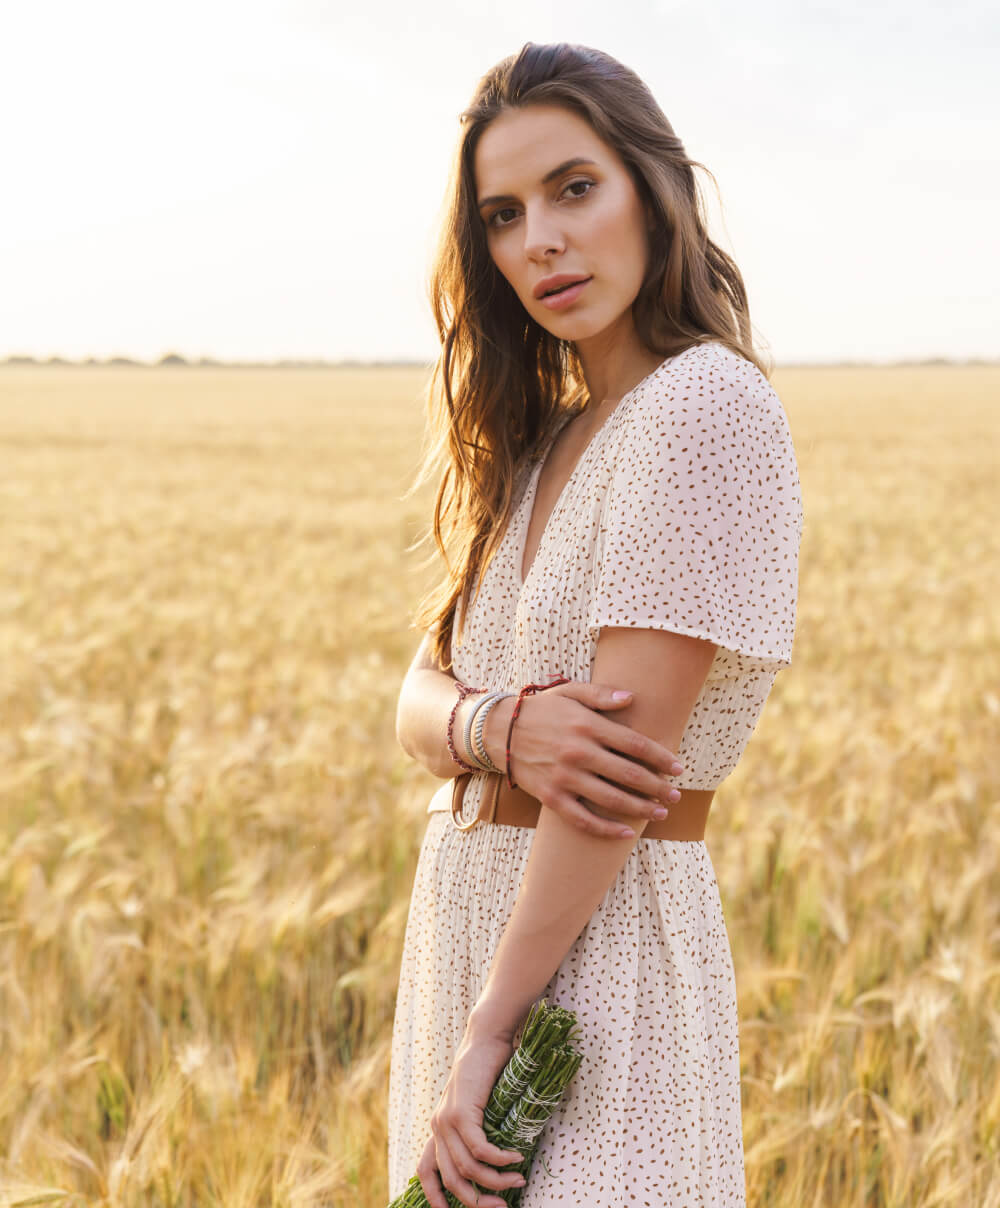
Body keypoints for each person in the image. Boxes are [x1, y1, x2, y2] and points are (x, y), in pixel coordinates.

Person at [387, 41, 803, 1208]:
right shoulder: (541, 438)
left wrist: (492, 1028)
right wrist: (501, 727)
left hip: (589, 974)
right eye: (504, 215)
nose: (541, 240)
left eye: (574, 188)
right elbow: (415, 697)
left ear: (652, 189)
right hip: (472, 939)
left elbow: (612, 778)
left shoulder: (702, 404)